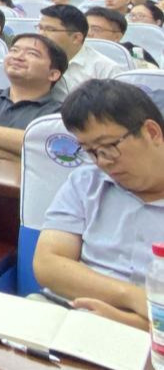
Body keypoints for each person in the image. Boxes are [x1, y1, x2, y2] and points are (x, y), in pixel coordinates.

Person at [32, 79, 164, 330]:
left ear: (152, 132)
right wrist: (132, 296)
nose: (102, 161)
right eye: (91, 151)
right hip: (68, 310)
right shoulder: (86, 182)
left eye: (109, 147)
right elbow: (47, 264)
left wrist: (125, 321)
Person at [0, 34, 66, 159]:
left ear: (53, 74)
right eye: (14, 50)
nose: (18, 57)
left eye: (32, 54)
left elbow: (42, 151)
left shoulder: (58, 114)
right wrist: (17, 155)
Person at [39, 5, 118, 101]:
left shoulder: (105, 69)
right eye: (40, 28)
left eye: (50, 30)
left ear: (76, 38)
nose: (41, 34)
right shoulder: (32, 61)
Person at [87, 6, 159, 67]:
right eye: (85, 28)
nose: (88, 33)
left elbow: (146, 73)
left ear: (117, 37)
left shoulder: (133, 52)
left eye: (96, 29)